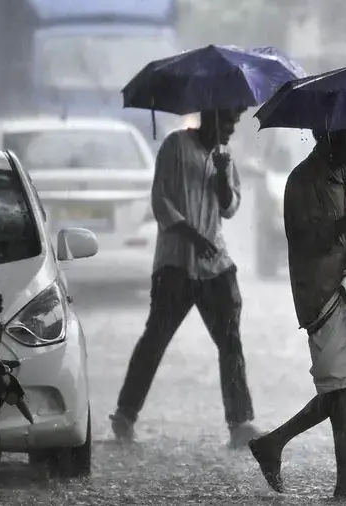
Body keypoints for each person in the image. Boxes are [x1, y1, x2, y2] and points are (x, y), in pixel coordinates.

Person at [109, 108, 259, 449]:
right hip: (175, 263)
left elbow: (229, 208)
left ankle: (240, 422)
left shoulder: (225, 157)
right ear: (210, 117)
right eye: (227, 121)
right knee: (156, 338)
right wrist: (192, 236)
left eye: (235, 122)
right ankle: (125, 414)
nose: (231, 128)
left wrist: (221, 177)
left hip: (216, 265)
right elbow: (159, 200)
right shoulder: (175, 146)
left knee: (230, 340)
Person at [248, 127, 346, 499]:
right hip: (320, 294)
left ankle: (274, 443)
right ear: (329, 137)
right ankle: (344, 480)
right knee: (341, 387)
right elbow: (310, 242)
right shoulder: (302, 182)